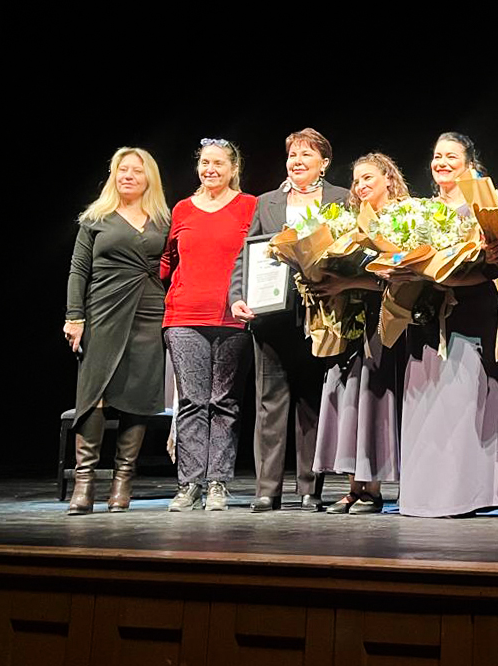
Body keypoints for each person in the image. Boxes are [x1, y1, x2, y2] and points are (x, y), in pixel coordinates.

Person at [230, 129, 349, 513]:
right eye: (293, 154)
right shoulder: (266, 202)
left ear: (324, 163)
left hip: (321, 314)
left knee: (312, 402)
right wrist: (237, 296)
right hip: (271, 316)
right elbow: (247, 255)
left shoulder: (341, 199)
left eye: (306, 155)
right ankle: (267, 489)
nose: (297, 161)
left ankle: (310, 488)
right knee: (270, 403)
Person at [397, 132, 498, 517]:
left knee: (464, 399)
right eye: (437, 156)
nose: (442, 163)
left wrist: (458, 275)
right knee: (427, 398)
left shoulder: (483, 207)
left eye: (451, 157)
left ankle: (467, 493)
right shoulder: (419, 212)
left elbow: (496, 262)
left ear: (469, 163)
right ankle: (424, 493)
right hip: (427, 317)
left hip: (472, 311)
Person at [63, 147, 171, 514]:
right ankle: (84, 482)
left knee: (137, 393)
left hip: (149, 312)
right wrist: (75, 317)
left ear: (148, 179)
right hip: (103, 312)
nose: (128, 176)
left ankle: (123, 481)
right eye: (122, 170)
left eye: (136, 171)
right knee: (94, 393)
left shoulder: (163, 220)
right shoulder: (96, 218)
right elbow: (78, 270)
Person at [308, 152, 408, 514]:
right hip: (351, 320)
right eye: (356, 180)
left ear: (388, 179)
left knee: (373, 398)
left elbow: (396, 276)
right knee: (350, 395)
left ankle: (373, 488)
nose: (360, 185)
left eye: (368, 178)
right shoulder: (351, 222)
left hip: (387, 319)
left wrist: (347, 282)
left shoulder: (403, 219)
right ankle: (354, 486)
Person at [161, 139, 258, 511]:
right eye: (205, 162)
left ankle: (217, 482)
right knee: (191, 401)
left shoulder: (249, 205)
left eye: (218, 163)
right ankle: (189, 484)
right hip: (184, 316)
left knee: (225, 401)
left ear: (233, 168)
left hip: (233, 318)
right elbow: (167, 261)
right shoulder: (182, 209)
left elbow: (261, 253)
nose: (210, 169)